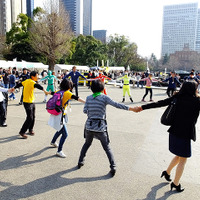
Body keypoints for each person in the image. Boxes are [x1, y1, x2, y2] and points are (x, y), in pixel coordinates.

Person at [134, 81, 200, 192]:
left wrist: (142, 107)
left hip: (174, 132)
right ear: (194, 89)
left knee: (179, 156)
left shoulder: (176, 98)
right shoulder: (197, 101)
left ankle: (167, 172)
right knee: (183, 159)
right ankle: (176, 183)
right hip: (185, 133)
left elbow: (159, 103)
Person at [77, 79, 136, 176]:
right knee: (107, 147)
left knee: (87, 144)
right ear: (102, 88)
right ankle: (113, 167)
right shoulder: (104, 97)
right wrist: (131, 108)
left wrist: (92, 111)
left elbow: (84, 111)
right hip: (100, 127)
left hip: (89, 126)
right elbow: (117, 105)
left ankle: (80, 161)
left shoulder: (88, 98)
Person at [48, 79, 85, 158]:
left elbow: (52, 93)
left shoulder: (59, 91)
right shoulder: (67, 93)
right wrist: (86, 102)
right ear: (69, 86)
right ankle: (59, 151)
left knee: (60, 129)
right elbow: (76, 98)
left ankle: (53, 141)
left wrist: (46, 92)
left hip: (58, 113)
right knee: (65, 134)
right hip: (60, 115)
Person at [14, 71, 48, 139]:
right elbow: (38, 86)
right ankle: (22, 131)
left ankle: (30, 129)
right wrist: (44, 90)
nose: (38, 77)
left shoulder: (26, 81)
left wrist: (14, 88)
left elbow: (20, 84)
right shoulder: (31, 82)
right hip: (27, 102)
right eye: (37, 76)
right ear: (33, 76)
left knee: (33, 116)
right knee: (30, 117)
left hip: (32, 101)